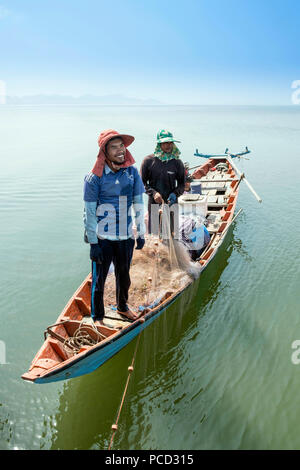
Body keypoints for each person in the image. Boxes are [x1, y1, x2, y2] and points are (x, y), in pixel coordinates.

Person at [83, 129, 145, 325]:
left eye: (122, 146)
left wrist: (141, 232)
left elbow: (138, 203)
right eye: (114, 147)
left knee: (124, 276)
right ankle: (98, 318)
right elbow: (90, 213)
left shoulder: (132, 172)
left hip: (125, 236)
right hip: (103, 238)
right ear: (104, 151)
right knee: (99, 281)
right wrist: (93, 243)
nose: (120, 151)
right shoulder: (94, 178)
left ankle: (122, 307)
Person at [140, 130, 186, 234]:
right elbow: (141, 183)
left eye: (170, 142)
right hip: (154, 203)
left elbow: (182, 184)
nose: (168, 145)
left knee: (172, 233)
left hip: (172, 203)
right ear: (159, 144)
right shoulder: (148, 161)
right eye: (165, 143)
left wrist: (175, 194)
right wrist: (153, 193)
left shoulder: (177, 163)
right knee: (155, 233)